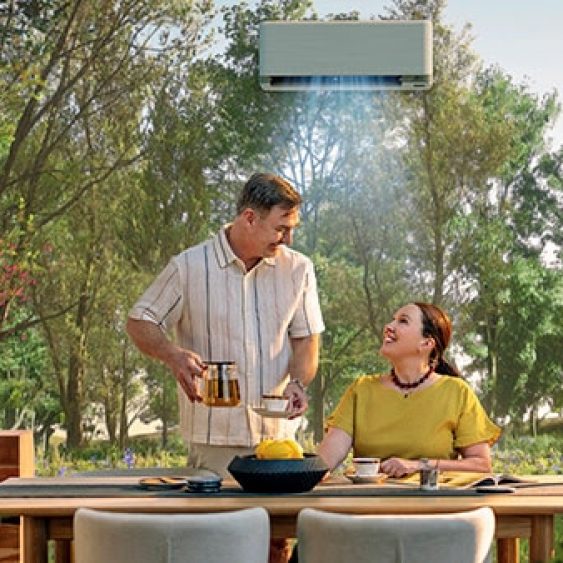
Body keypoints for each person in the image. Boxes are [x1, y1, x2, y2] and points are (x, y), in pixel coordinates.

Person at [126, 173, 324, 562]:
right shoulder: (189, 267)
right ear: (249, 218)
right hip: (214, 443)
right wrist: (172, 354)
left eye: (292, 228)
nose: (288, 239)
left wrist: (299, 382)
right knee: (212, 545)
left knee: (275, 543)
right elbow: (140, 321)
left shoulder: (298, 269)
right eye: (281, 228)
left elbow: (306, 338)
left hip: (277, 441)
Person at [317, 302, 500, 477]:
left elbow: (481, 465)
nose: (388, 326)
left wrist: (419, 465)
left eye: (403, 321)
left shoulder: (457, 392)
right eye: (392, 319)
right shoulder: (361, 390)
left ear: (427, 343)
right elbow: (324, 463)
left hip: (433, 504)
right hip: (369, 503)